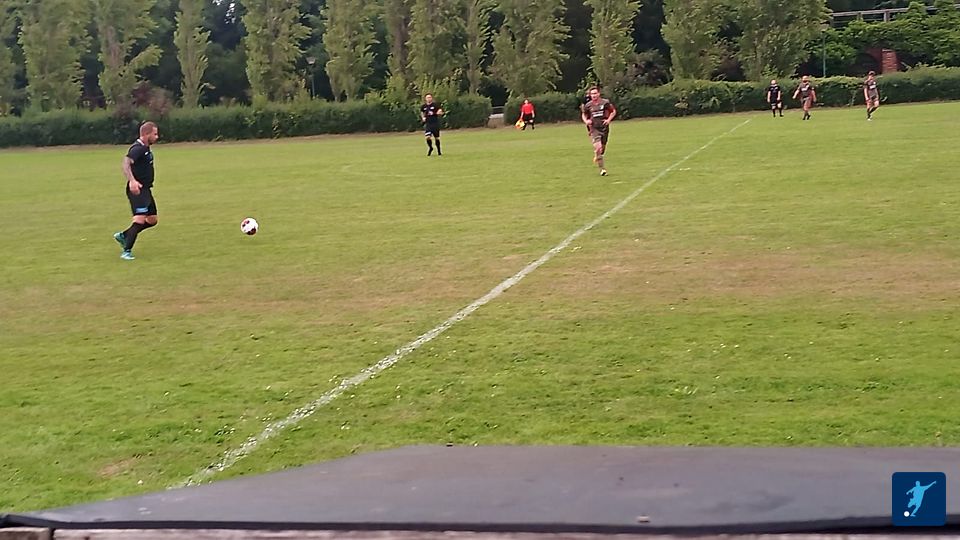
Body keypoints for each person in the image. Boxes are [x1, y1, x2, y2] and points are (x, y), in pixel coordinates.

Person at [113, 121, 160, 260]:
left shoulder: (145, 148)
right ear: (146, 134)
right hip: (138, 190)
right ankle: (126, 251)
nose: (157, 137)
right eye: (155, 134)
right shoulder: (137, 149)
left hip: (146, 190)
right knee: (139, 220)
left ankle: (124, 235)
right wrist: (132, 181)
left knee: (152, 220)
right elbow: (126, 163)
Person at [580, 86, 617, 176]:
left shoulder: (605, 102)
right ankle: (602, 169)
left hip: (604, 128)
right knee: (598, 148)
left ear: (599, 94)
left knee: (602, 149)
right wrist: (586, 121)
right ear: (590, 95)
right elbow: (584, 115)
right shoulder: (588, 105)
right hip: (594, 128)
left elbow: (613, 111)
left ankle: (598, 155)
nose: (594, 95)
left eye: (595, 93)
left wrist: (608, 120)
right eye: (592, 94)